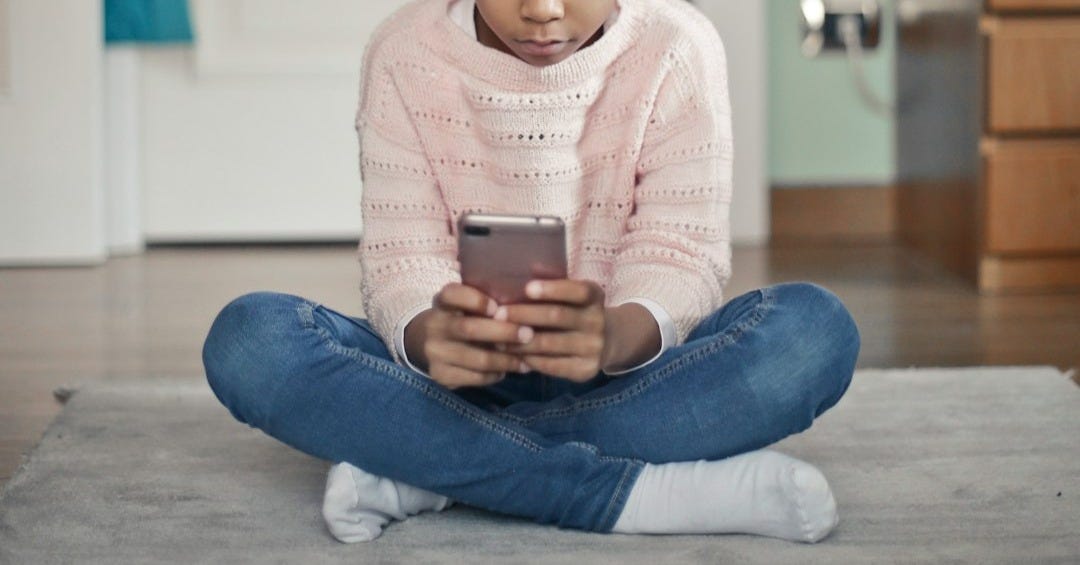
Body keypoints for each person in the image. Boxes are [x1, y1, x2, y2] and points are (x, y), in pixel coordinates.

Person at [202, 0, 860, 545]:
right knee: (251, 339)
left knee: (814, 333)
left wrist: (611, 336)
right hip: (453, 386)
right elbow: (399, 258)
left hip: (629, 377)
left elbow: (680, 253)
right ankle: (637, 493)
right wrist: (433, 337)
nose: (543, 11)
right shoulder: (404, 51)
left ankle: (426, 472)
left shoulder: (678, 45)